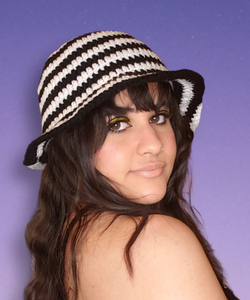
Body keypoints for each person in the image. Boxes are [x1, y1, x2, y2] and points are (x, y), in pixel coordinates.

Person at [23, 31, 239, 300]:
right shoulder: (153, 240)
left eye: (159, 117)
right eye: (118, 124)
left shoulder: (67, 246)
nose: (153, 144)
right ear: (71, 146)